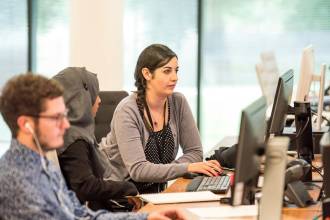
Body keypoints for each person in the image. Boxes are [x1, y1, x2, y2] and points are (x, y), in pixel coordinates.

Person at [0, 73, 186, 220]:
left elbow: (80, 214)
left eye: (64, 115)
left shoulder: (42, 166)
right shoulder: (19, 181)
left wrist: (146, 217)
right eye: (56, 117)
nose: (65, 125)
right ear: (26, 124)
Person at [100, 44, 221, 194]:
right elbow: (138, 170)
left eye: (176, 71)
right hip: (123, 197)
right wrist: (187, 167)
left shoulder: (178, 102)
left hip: (156, 193)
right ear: (147, 74)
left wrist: (167, 170)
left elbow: (195, 152)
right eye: (167, 71)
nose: (175, 77)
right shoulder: (127, 111)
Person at [53, 67, 138, 211]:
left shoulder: (75, 133)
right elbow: (85, 187)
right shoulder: (74, 139)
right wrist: (127, 187)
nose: (99, 100)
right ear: (80, 98)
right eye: (94, 94)